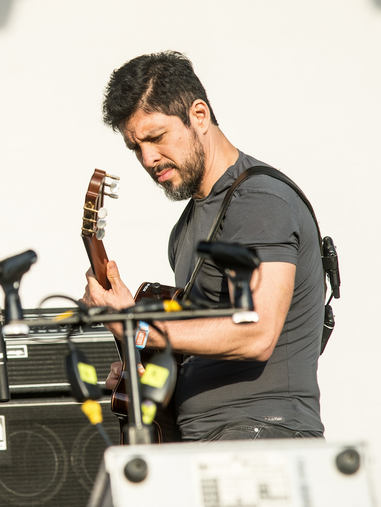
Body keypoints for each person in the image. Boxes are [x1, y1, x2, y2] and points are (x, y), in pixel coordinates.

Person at [83, 51, 324, 442]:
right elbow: (200, 344)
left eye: (156, 137)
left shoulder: (259, 202)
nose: (148, 158)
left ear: (199, 115)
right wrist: (141, 369)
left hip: (263, 438)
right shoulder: (186, 226)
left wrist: (139, 327)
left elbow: (256, 334)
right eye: (135, 147)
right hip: (202, 441)